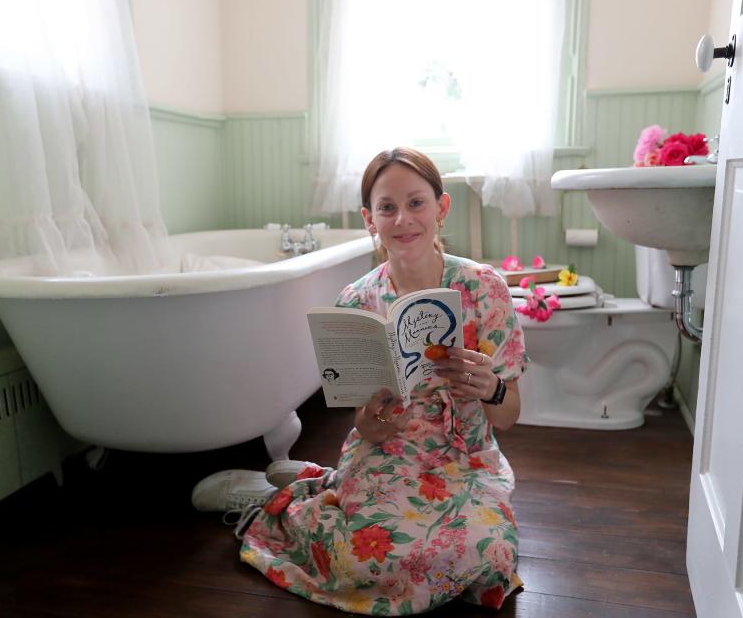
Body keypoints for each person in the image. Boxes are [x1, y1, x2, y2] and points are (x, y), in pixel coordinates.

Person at [191, 147, 527, 614]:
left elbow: (509, 417)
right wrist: (372, 424)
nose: (403, 219)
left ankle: (313, 483)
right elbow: (360, 419)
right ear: (370, 219)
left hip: (464, 458)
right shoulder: (355, 301)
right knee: (361, 560)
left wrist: (490, 388)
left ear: (441, 208)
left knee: (487, 555)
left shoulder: (484, 288)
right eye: (387, 207)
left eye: (416, 203)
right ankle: (276, 502)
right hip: (388, 451)